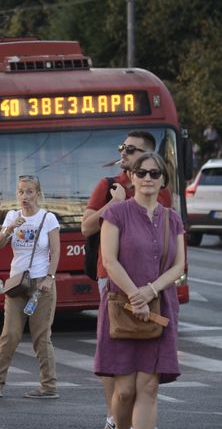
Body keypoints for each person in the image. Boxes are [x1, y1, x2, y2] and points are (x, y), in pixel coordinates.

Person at [81, 130, 171, 429]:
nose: (124, 154)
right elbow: (86, 229)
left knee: (146, 370)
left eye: (131, 150)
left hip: (153, 283)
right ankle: (112, 416)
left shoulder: (161, 192)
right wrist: (114, 204)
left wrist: (155, 287)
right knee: (116, 350)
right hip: (113, 281)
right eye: (123, 148)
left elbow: (173, 243)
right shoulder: (108, 185)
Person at [96, 152, 184, 429]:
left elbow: (179, 265)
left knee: (148, 387)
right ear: (132, 177)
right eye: (142, 172)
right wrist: (136, 296)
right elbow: (109, 260)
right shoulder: (116, 212)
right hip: (122, 307)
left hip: (159, 307)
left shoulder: (173, 219)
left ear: (163, 181)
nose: (148, 178)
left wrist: (150, 292)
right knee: (124, 391)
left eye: (154, 173)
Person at [0, 174, 60, 399]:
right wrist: (10, 227)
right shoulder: (12, 216)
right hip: (17, 285)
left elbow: (56, 251)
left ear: (38, 194)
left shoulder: (48, 218)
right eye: (21, 192)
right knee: (9, 335)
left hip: (41, 285)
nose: (25, 196)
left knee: (41, 336)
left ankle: (48, 386)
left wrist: (50, 276)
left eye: (29, 191)